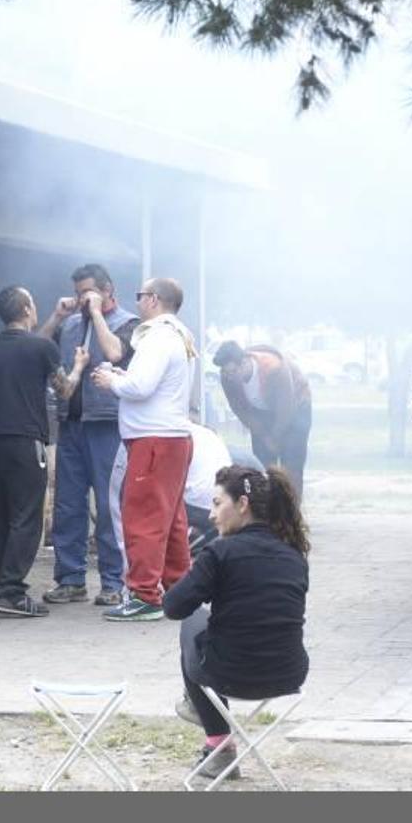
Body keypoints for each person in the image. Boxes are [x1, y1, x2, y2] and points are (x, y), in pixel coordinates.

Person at [164, 465, 310, 780]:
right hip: (289, 674)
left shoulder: (219, 552)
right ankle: (211, 730)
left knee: (193, 620)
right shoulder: (294, 554)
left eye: (218, 504)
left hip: (229, 674)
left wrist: (196, 574)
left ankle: (218, 744)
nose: (212, 515)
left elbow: (173, 606)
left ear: (242, 504)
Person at [0, 285, 88, 617]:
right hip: (26, 443)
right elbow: (64, 390)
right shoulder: (42, 348)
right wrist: (79, 366)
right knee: (26, 516)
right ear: (25, 309)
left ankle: (0, 587)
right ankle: (11, 592)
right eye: (33, 304)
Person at [91, 277, 196, 622]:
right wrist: (124, 376)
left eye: (140, 296)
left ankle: (144, 595)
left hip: (153, 441)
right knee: (171, 520)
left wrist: (112, 381)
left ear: (153, 300)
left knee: (144, 519)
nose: (137, 303)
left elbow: (140, 387)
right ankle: (181, 589)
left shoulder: (157, 336)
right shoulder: (179, 335)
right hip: (172, 439)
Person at [35, 264, 140, 607]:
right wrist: (56, 315)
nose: (81, 297)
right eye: (78, 291)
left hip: (108, 424)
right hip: (71, 423)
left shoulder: (128, 324)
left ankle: (113, 581)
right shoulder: (70, 325)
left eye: (88, 291)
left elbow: (115, 352)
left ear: (107, 290)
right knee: (67, 503)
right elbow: (36, 347)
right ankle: (70, 578)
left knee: (110, 507)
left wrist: (96, 313)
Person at [108, 420, 235, 561]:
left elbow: (118, 498)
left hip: (194, 512)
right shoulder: (208, 434)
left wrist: (126, 555)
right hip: (226, 510)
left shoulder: (154, 436)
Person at [212, 341, 313, 498]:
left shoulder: (275, 369)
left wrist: (275, 437)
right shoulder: (227, 378)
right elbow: (240, 410)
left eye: (232, 372)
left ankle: (291, 512)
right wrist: (264, 437)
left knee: (291, 463)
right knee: (262, 464)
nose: (229, 377)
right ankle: (267, 511)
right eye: (225, 373)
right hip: (261, 412)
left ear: (244, 362)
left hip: (295, 405)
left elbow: (286, 409)